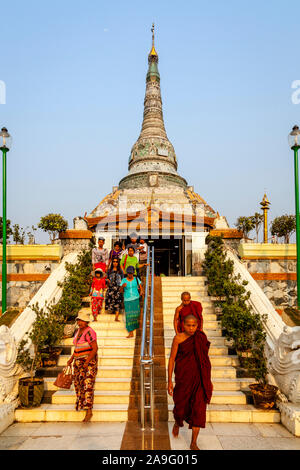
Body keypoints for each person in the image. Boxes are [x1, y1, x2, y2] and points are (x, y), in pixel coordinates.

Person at [168, 314, 213, 450]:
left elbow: (204, 360)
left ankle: (193, 442)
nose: (191, 328)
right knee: (180, 407)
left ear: (197, 325)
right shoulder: (178, 338)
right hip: (184, 378)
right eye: (189, 325)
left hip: (199, 379)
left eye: (194, 325)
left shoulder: (201, 337)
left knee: (199, 409)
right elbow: (171, 359)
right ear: (183, 325)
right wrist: (169, 380)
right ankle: (177, 422)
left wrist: (208, 380)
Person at [67, 310, 98, 422]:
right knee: (78, 383)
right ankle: (81, 404)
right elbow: (77, 348)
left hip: (88, 362)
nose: (79, 322)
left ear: (86, 322)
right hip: (78, 362)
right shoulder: (78, 331)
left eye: (81, 320)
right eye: (78, 320)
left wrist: (86, 362)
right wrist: (71, 359)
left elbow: (95, 348)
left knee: (87, 385)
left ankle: (89, 411)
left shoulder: (90, 332)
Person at [120, 265, 143, 338]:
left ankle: (135, 330)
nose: (130, 274)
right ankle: (131, 332)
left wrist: (141, 292)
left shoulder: (136, 279)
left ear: (133, 273)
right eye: (129, 273)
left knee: (136, 315)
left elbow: (141, 287)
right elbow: (120, 291)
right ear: (127, 273)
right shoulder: (123, 280)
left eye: (131, 273)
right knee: (129, 316)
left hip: (136, 298)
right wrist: (122, 286)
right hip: (127, 300)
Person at [105, 256, 124, 322]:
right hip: (111, 288)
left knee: (118, 302)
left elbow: (123, 279)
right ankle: (113, 313)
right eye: (114, 262)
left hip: (118, 289)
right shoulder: (109, 270)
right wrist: (107, 280)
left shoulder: (120, 271)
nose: (115, 263)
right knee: (111, 302)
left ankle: (116, 317)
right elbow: (106, 278)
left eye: (116, 262)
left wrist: (122, 287)